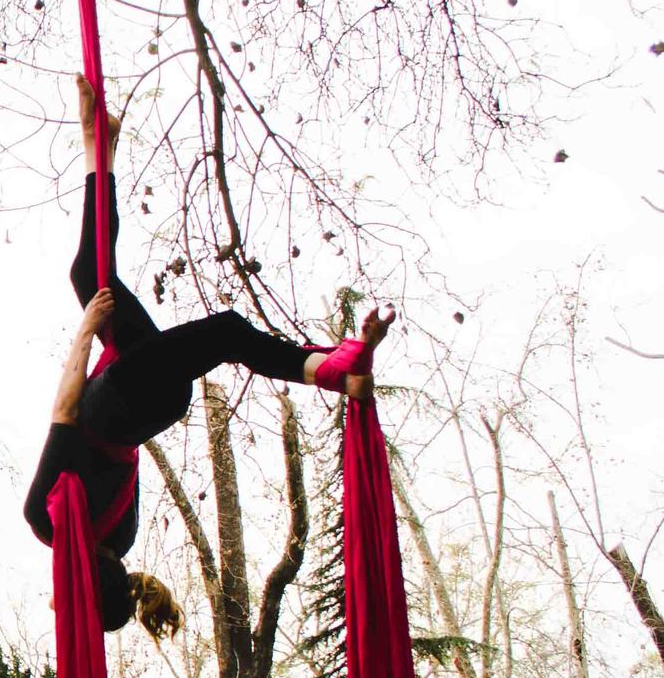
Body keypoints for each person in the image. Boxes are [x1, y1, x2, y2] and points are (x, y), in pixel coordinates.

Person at [24, 80, 392, 633]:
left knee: (91, 274)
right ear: (81, 582)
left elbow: (120, 459)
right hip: (120, 398)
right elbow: (65, 416)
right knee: (221, 331)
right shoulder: (49, 522)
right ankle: (326, 371)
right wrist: (86, 332)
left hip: (154, 402)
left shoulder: (120, 536)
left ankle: (100, 148)